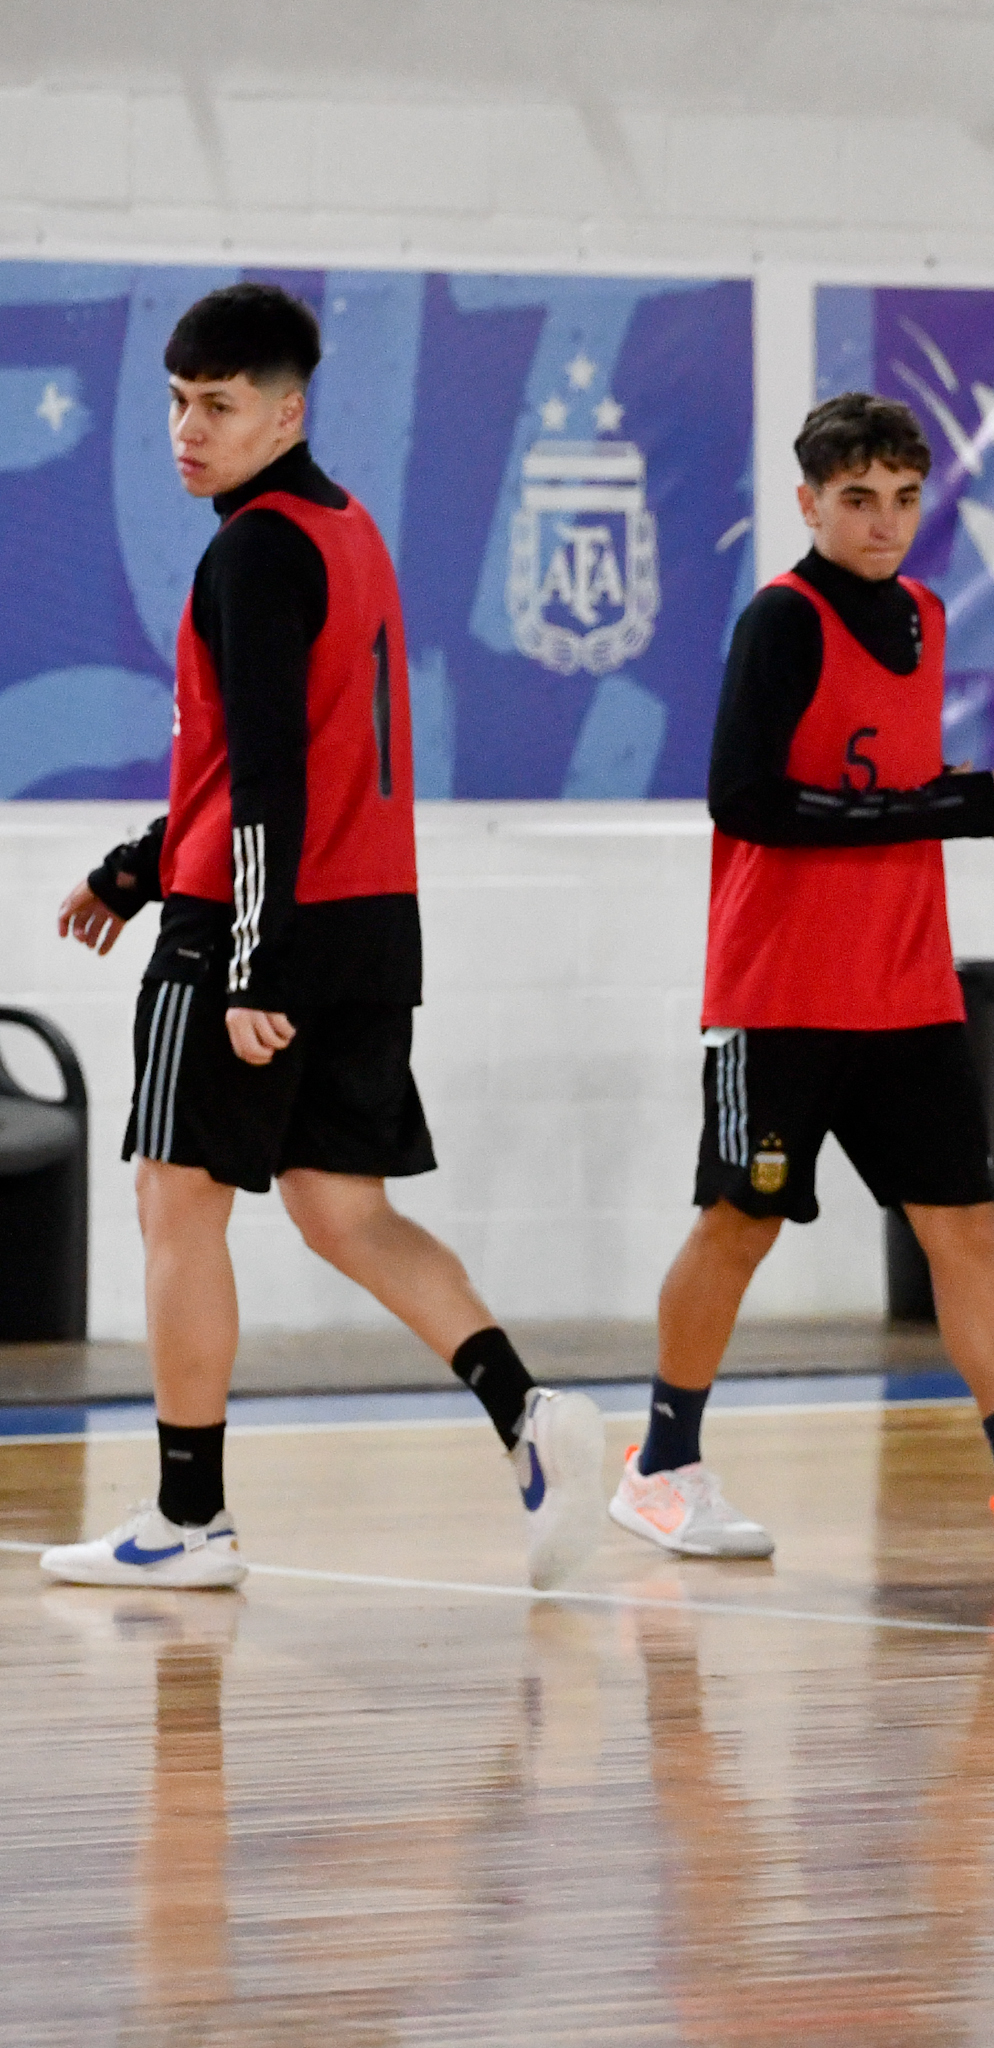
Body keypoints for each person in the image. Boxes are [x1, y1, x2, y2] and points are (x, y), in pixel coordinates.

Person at [43, 282, 609, 1593]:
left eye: (219, 406)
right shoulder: (345, 530)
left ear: (287, 412)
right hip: (367, 921)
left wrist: (249, 961)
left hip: (258, 928)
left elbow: (272, 779)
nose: (189, 431)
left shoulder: (252, 551)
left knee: (175, 1200)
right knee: (345, 1209)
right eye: (176, 404)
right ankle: (528, 1411)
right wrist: (136, 867)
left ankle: (189, 1519)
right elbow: (271, 759)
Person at [626, 391, 994, 1567]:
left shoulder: (924, 616)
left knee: (966, 1227)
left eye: (906, 498)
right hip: (781, 990)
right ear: (809, 501)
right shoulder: (782, 620)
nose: (884, 521)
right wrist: (943, 809)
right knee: (739, 1222)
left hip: (906, 987)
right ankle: (660, 1468)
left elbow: (888, 783)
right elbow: (749, 801)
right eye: (859, 498)